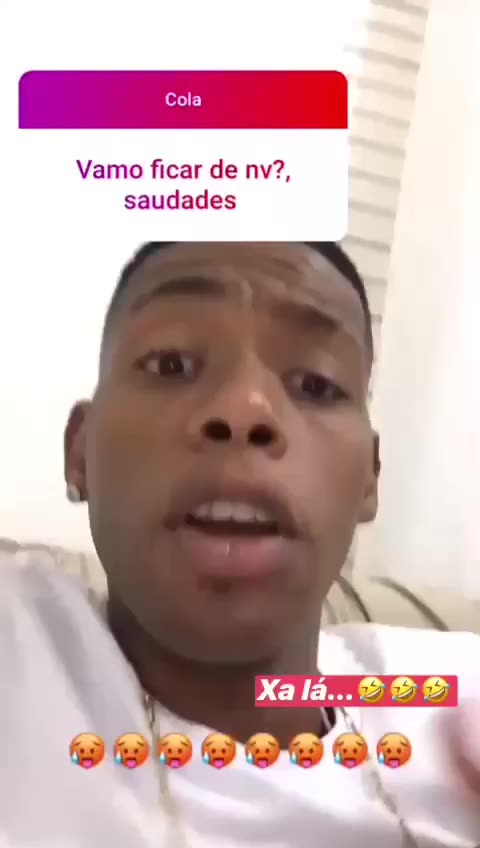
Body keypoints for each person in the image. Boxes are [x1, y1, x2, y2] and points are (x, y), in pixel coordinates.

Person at [1, 241, 479, 848]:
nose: (245, 409)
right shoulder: (21, 650)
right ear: (81, 450)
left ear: (369, 479)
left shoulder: (426, 690)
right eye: (171, 364)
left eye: (316, 383)